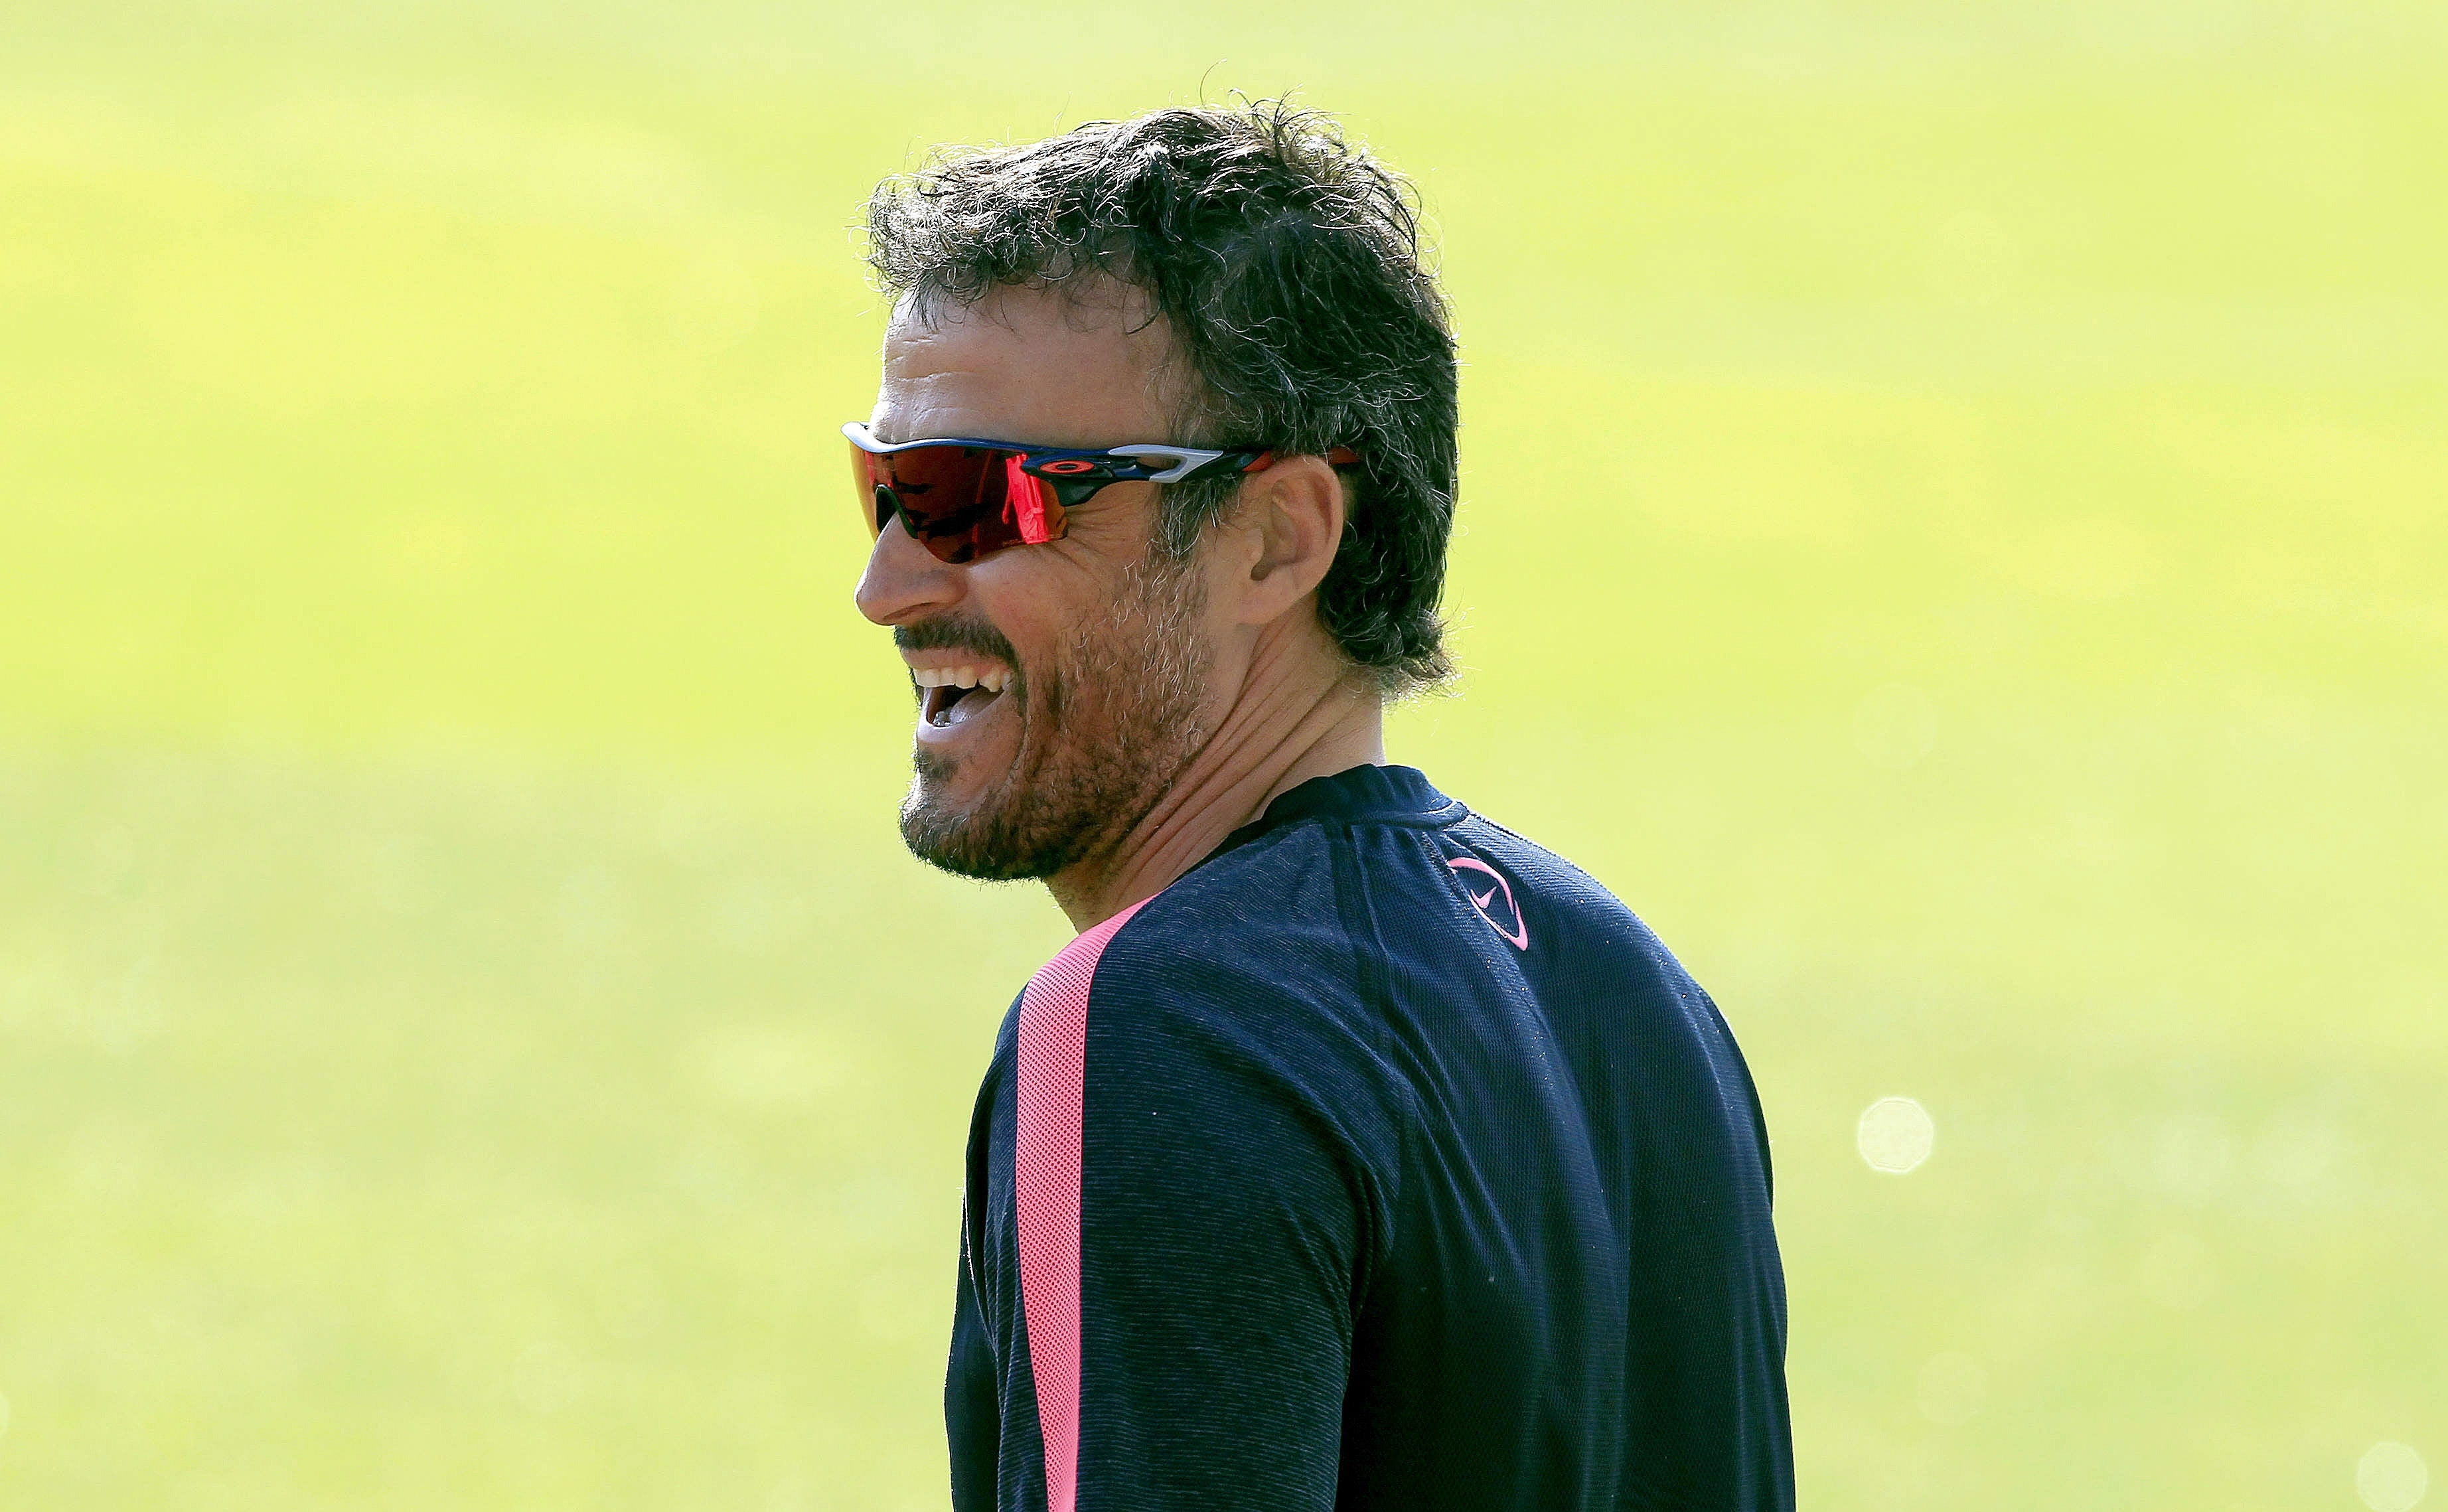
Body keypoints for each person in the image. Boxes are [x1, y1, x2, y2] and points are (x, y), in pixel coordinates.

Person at [847, 101, 1792, 1512]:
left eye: (977, 499)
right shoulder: (1638, 998)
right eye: (883, 486)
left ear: (1276, 538)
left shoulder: (1159, 1024)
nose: (887, 585)